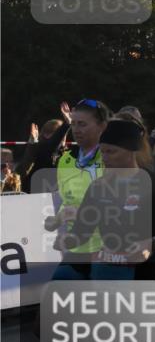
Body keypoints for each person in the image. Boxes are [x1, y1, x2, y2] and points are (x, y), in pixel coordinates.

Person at [56, 118, 155, 281]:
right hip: (106, 272)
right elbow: (83, 231)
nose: (104, 158)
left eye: (111, 152)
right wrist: (66, 239)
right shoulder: (98, 187)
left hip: (145, 275)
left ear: (131, 151)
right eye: (102, 151)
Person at [47, 98, 112, 280]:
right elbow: (67, 201)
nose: (76, 129)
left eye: (82, 124)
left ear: (102, 126)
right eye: (73, 124)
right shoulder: (66, 160)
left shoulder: (114, 158)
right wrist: (57, 219)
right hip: (77, 248)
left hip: (109, 248)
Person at [16, 109, 72, 193]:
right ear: (46, 135)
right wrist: (32, 145)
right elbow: (22, 170)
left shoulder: (68, 155)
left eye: (64, 134)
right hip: (35, 196)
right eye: (59, 134)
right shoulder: (40, 150)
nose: (63, 137)